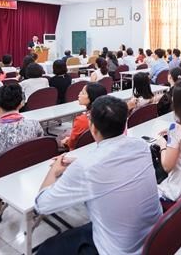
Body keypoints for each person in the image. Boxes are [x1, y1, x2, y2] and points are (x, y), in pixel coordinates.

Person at [34, 96, 162, 255]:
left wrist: (54, 170)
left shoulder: (86, 167)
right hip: (153, 236)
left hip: (119, 249)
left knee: (47, 248)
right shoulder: (141, 145)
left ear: (92, 129)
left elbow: (42, 205)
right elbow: (113, 167)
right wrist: (80, 164)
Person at [61, 82, 107, 150]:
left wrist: (67, 141)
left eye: (83, 93)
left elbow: (72, 144)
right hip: (98, 147)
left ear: (91, 97)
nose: (79, 94)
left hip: (79, 152)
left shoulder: (82, 120)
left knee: (59, 138)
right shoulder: (108, 114)